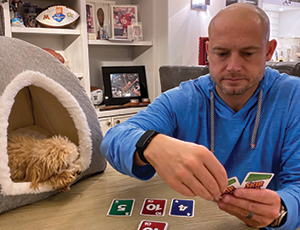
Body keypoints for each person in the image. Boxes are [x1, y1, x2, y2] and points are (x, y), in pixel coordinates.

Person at [101, 3, 300, 230]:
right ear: (208, 52)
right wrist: (151, 145)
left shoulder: (294, 97)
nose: (233, 66)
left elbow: (297, 186)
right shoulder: (183, 98)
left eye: (247, 53)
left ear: (268, 51)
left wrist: (281, 212)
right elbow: (114, 139)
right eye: (222, 53)